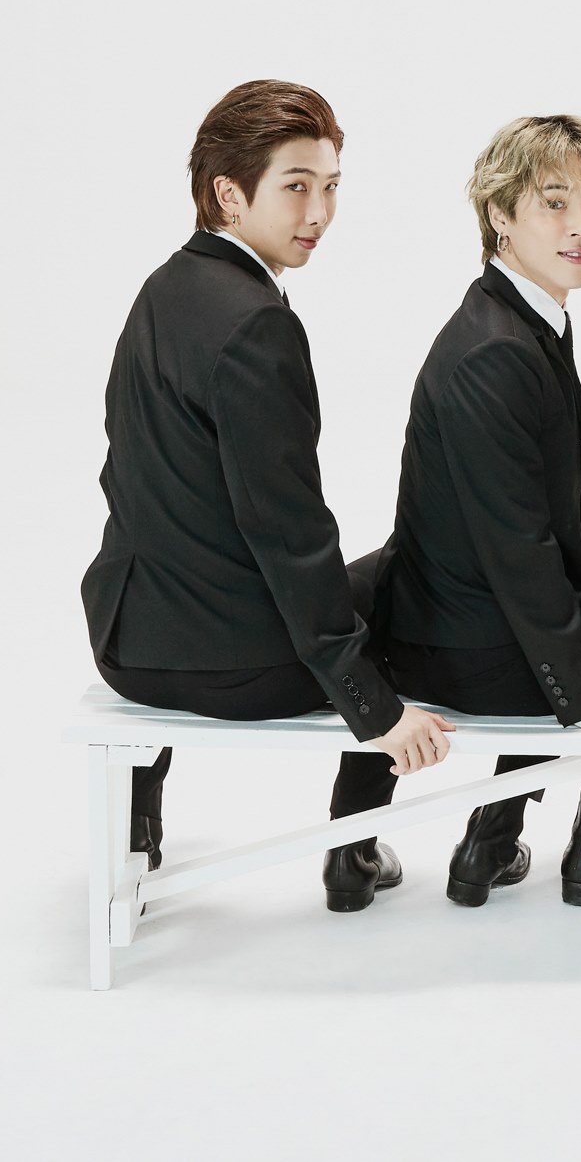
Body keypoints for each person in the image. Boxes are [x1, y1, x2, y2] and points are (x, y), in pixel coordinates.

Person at [81, 80, 453, 914]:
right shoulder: (256, 322)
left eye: (331, 187)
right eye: (295, 186)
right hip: (237, 664)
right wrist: (372, 705)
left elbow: (128, 474)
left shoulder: (162, 289)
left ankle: (140, 825)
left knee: (361, 575)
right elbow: (289, 531)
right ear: (228, 192)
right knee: (408, 581)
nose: (319, 213)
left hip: (127, 638)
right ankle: (353, 848)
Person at [377, 114, 581, 909]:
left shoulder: (526, 320)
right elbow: (522, 550)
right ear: (500, 215)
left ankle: (495, 841)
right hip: (463, 644)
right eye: (554, 202)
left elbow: (553, 500)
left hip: (469, 619)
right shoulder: (495, 350)